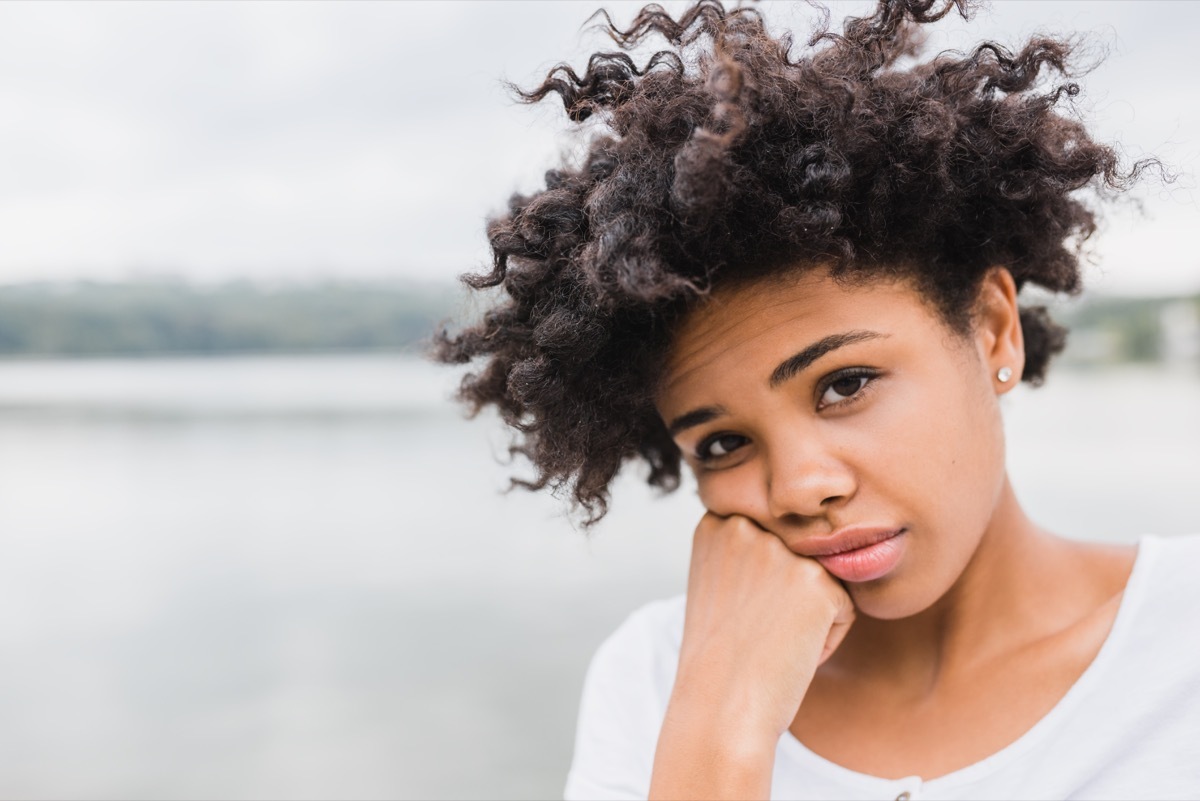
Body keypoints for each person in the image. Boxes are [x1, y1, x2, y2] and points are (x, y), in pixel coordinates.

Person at [435, 0, 1200, 798]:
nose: (802, 488)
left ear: (995, 329)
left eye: (844, 384)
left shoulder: (1183, 648)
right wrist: (726, 715)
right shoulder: (659, 677)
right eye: (722, 443)